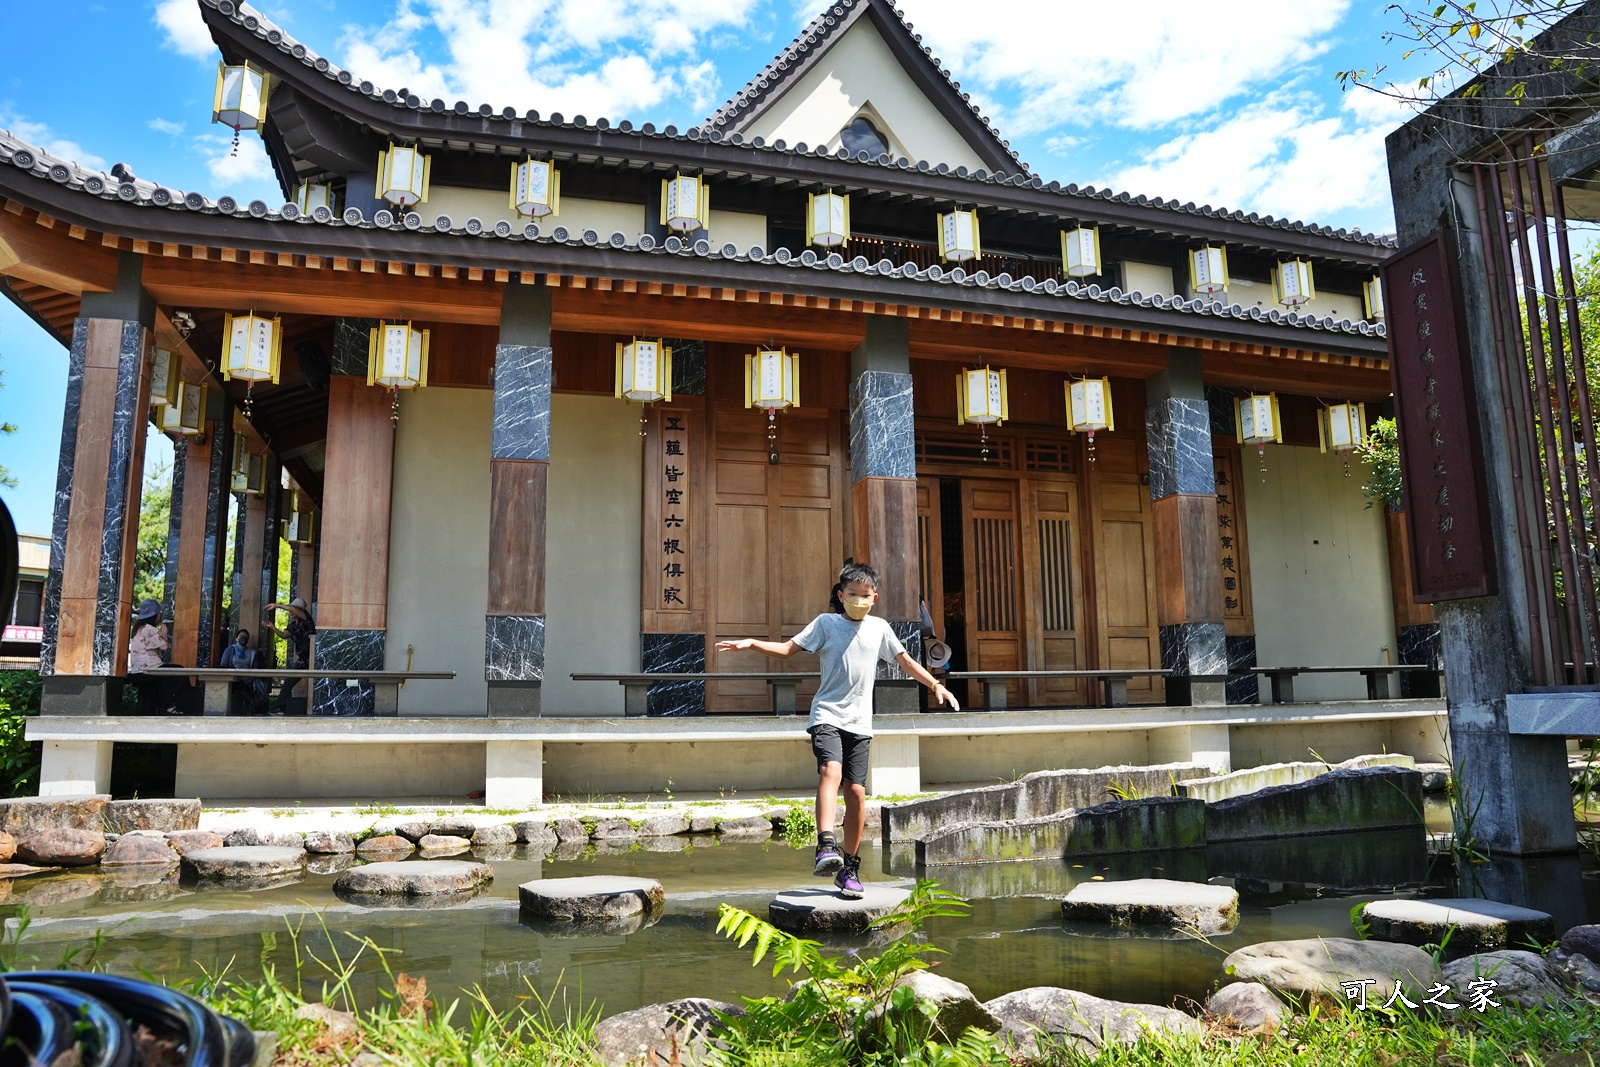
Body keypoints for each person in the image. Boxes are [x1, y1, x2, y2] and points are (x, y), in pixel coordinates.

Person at [716, 561, 958, 898]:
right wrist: (752, 643)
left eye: (865, 595)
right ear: (841, 595)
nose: (859, 599)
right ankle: (825, 845)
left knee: (857, 792)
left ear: (874, 597)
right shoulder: (826, 624)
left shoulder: (879, 629)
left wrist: (935, 685)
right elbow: (787, 650)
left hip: (860, 723)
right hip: (827, 715)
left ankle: (850, 869)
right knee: (831, 770)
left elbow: (905, 662)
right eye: (853, 594)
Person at [127, 599, 182, 715]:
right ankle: (168, 705)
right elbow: (164, 647)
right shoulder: (149, 629)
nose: (160, 615)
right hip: (150, 667)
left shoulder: (138, 629)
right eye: (159, 612)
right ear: (155, 615)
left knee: (170, 671)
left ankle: (164, 704)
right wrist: (164, 634)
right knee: (179, 671)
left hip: (137, 668)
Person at [261, 597, 314, 715]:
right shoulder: (292, 626)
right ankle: (279, 707)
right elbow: (284, 635)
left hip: (313, 658)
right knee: (288, 682)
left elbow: (292, 609)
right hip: (303, 661)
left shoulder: (306, 619)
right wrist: (272, 627)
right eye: (291, 610)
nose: (291, 612)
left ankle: (279, 707)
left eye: (294, 610)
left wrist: (276, 605)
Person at [220, 628, 269, 715]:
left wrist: (249, 678)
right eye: (241, 636)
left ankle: (254, 708)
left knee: (261, 685)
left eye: (246, 637)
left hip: (248, 678)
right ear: (236, 638)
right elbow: (223, 665)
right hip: (234, 678)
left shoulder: (252, 652)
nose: (243, 638)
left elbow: (255, 669)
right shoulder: (229, 650)